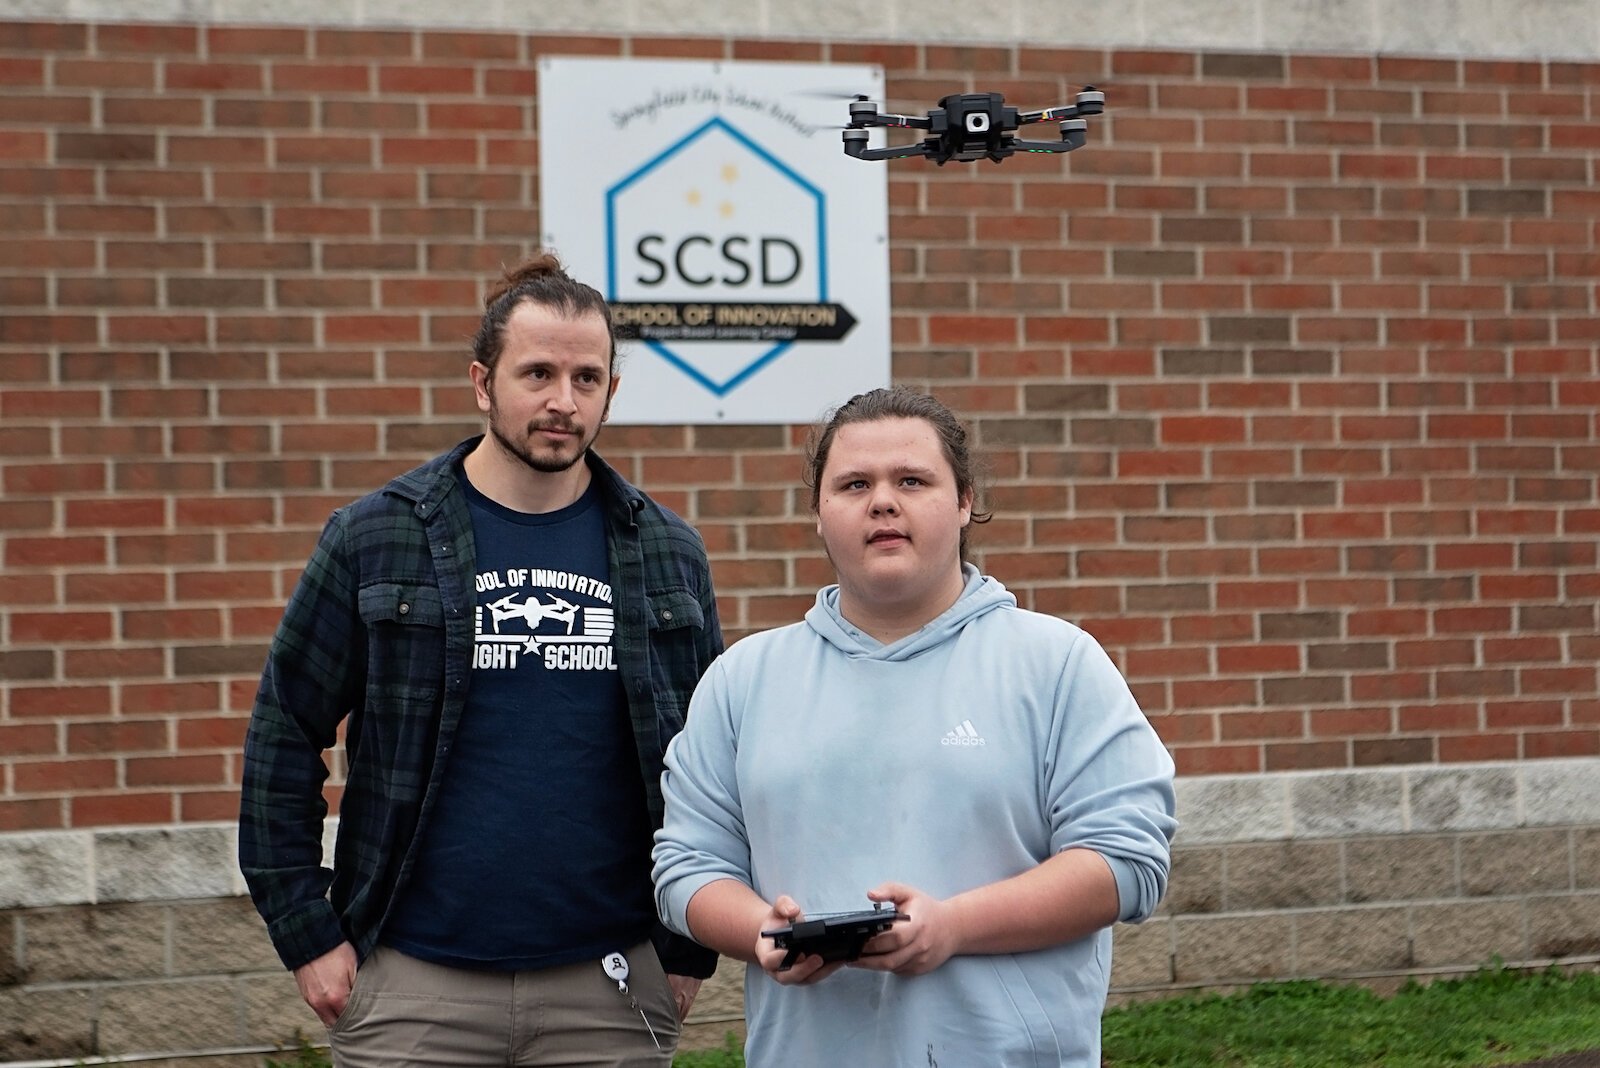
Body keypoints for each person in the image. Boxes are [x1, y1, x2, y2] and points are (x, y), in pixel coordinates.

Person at [240, 253, 721, 1067]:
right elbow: (285, 734)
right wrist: (307, 932)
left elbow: (711, 762)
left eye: (586, 378)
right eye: (537, 373)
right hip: (413, 984)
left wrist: (683, 952)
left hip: (607, 988)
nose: (562, 401)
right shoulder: (375, 536)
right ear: (482, 382)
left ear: (609, 392)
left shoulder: (667, 551)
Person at [652, 387, 1177, 1067]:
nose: (882, 502)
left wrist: (953, 927)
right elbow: (686, 867)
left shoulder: (1057, 663)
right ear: (819, 512)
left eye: (911, 480)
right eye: (853, 484)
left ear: (963, 501)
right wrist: (762, 930)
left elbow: (1127, 863)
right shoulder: (744, 681)